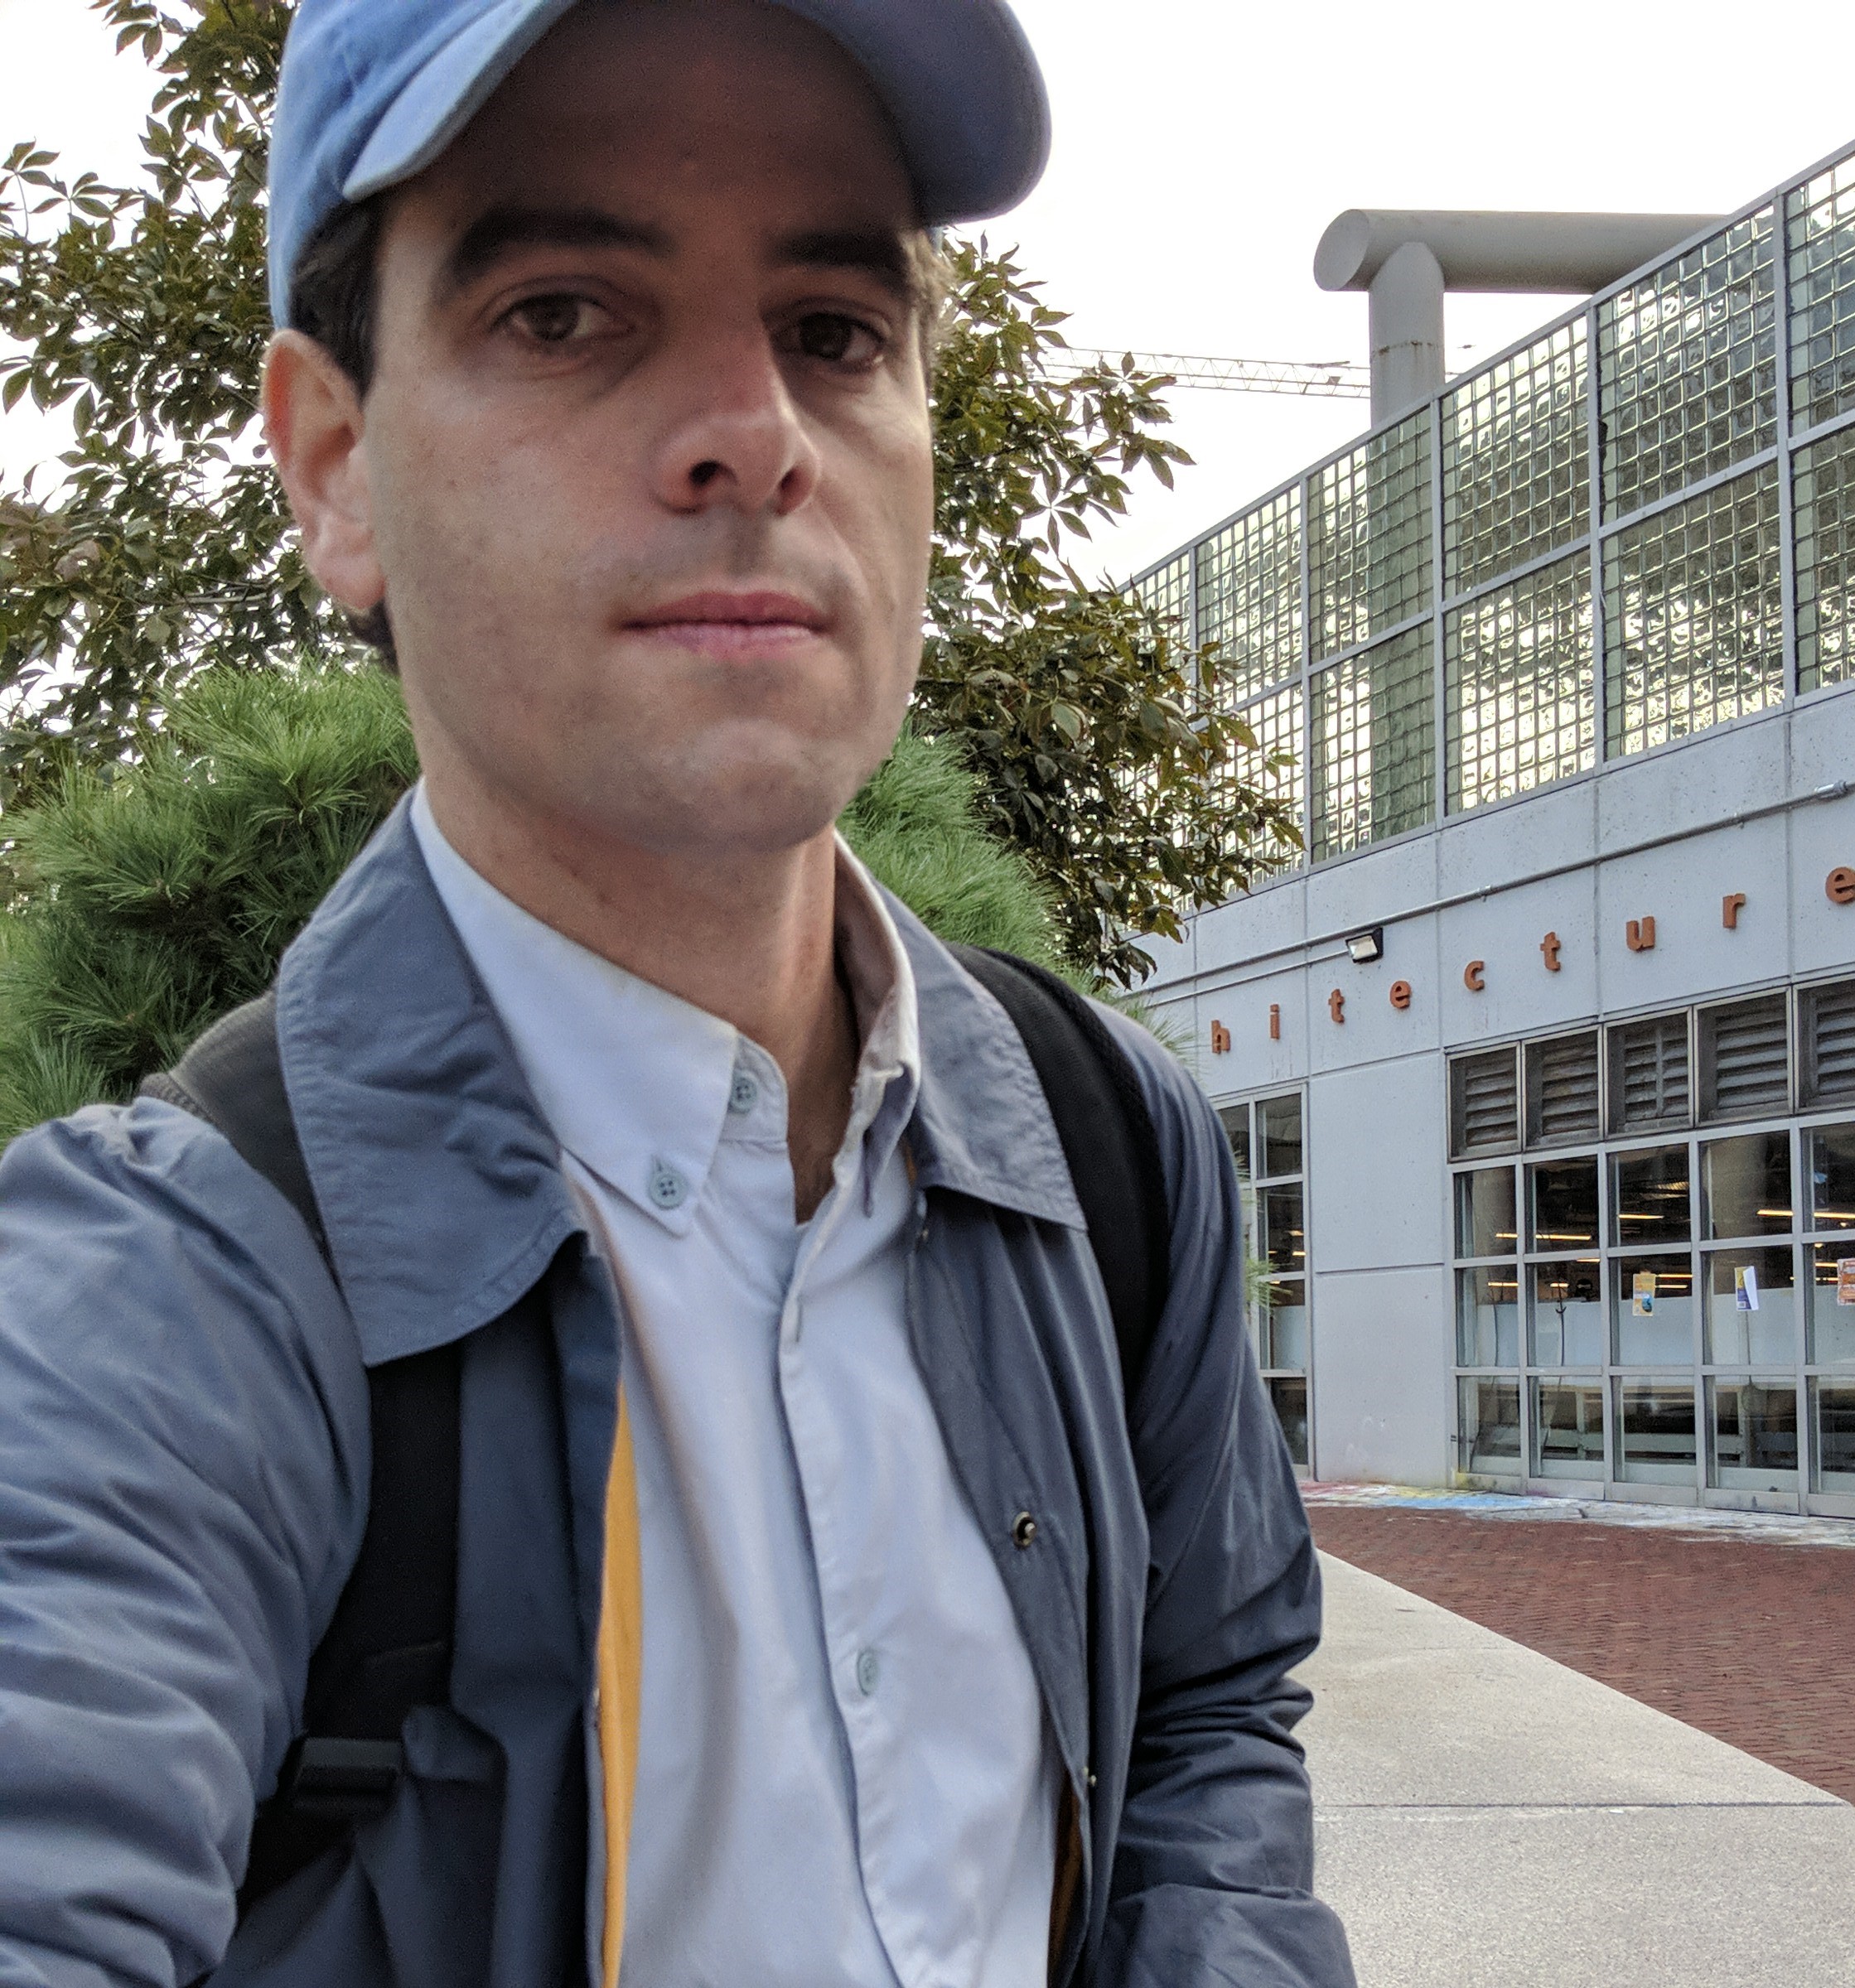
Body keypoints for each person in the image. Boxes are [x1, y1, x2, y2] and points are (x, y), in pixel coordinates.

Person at [0, 2, 1356, 1984]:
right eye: (564, 312)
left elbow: (1213, 1706)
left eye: (834, 329)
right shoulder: (155, 1301)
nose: (757, 430)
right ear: (334, 467)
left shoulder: (1106, 1146)